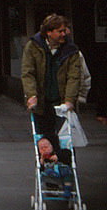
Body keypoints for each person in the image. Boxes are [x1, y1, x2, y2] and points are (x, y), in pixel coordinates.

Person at [20, 14, 83, 152]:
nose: (64, 34)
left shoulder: (71, 50)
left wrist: (69, 100)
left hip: (61, 102)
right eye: (60, 31)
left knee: (64, 140)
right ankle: (46, 166)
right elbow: (28, 73)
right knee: (44, 139)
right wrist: (31, 95)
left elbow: (74, 77)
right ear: (49, 32)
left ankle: (65, 166)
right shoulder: (33, 46)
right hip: (42, 102)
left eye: (64, 30)